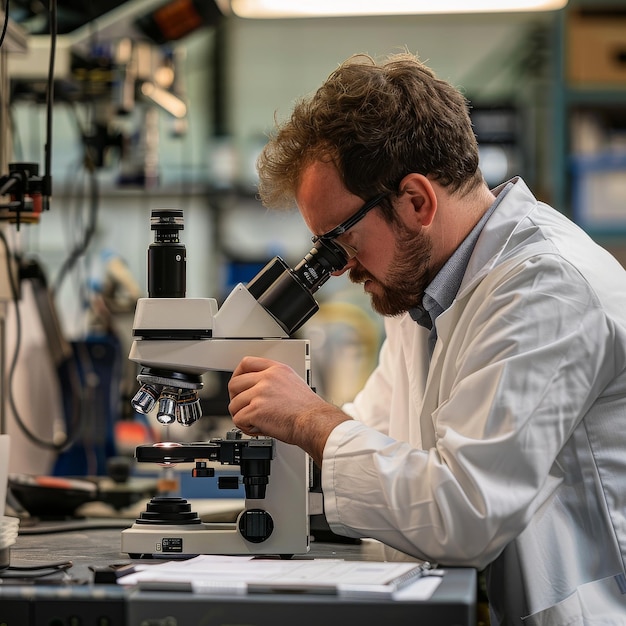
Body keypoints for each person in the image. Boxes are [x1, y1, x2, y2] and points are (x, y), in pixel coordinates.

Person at [227, 51, 626, 625]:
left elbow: (467, 512)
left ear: (416, 201)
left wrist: (310, 420)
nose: (336, 268)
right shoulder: (423, 292)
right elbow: (378, 434)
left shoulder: (546, 288)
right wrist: (277, 443)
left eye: (340, 241)